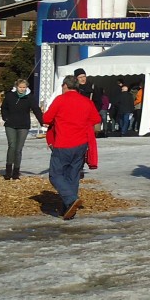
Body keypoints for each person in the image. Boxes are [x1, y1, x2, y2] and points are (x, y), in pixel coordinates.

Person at [42, 75, 100, 219]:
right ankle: (68, 209)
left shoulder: (60, 100)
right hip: (81, 144)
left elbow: (46, 119)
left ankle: (71, 199)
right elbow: (96, 120)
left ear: (65, 86)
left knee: (55, 175)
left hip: (63, 143)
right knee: (72, 177)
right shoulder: (86, 101)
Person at [1, 76, 43, 179]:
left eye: (24, 87)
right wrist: (5, 117)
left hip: (23, 126)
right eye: (20, 87)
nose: (22, 89)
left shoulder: (29, 97)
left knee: (18, 149)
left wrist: (42, 121)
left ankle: (16, 172)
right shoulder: (10, 95)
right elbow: (4, 108)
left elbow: (36, 110)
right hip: (10, 125)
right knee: (12, 146)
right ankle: (8, 170)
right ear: (17, 87)